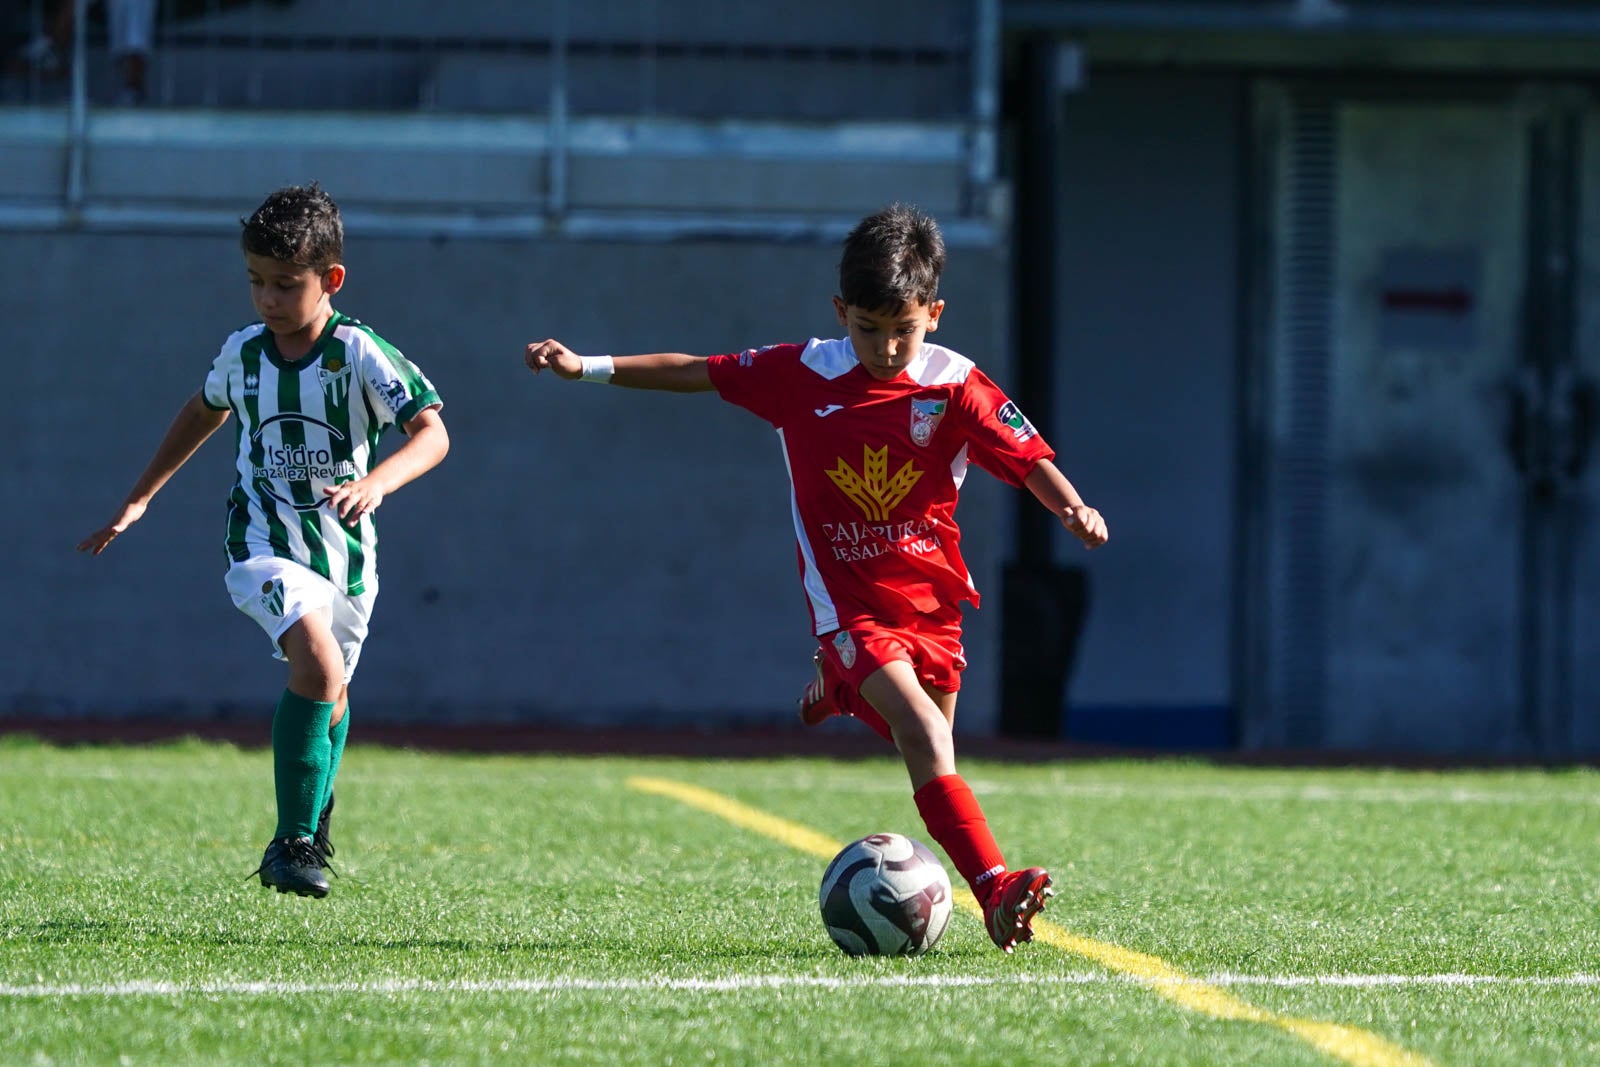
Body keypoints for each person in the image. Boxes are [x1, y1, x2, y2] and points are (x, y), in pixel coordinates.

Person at [523, 204, 1108, 951]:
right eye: (868, 327)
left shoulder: (956, 384)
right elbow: (697, 372)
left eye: (904, 328)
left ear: (934, 312)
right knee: (925, 733)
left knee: (932, 754)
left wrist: (1074, 506)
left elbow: (1028, 457)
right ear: (841, 312)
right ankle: (996, 890)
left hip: (933, 608)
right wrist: (588, 365)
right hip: (850, 609)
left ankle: (839, 690)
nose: (887, 346)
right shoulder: (800, 373)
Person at [78, 183, 449, 898]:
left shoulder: (360, 354)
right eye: (256, 281)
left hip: (347, 558)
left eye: (285, 284)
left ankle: (310, 814)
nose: (268, 299)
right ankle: (291, 842)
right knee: (313, 664)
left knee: (333, 695)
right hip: (260, 542)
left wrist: (378, 482)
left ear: (330, 280)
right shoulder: (243, 355)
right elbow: (203, 408)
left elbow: (432, 432)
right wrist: (140, 497)